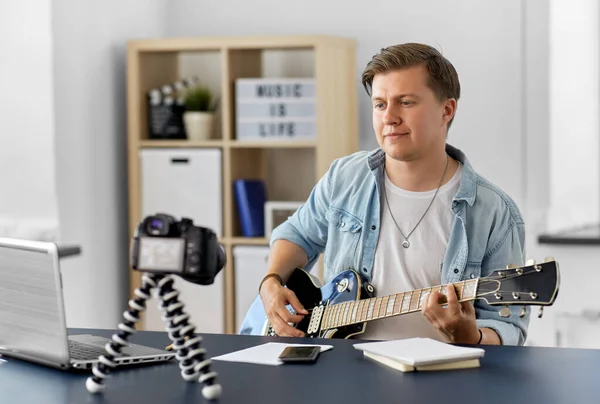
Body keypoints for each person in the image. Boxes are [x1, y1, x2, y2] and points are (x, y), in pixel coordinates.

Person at [257, 43, 529, 346]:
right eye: (380, 104)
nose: (389, 117)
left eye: (406, 102)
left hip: (441, 382)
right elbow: (296, 235)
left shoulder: (494, 212)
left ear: (447, 110)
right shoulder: (344, 177)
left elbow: (509, 327)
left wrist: (471, 336)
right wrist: (271, 283)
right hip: (343, 372)